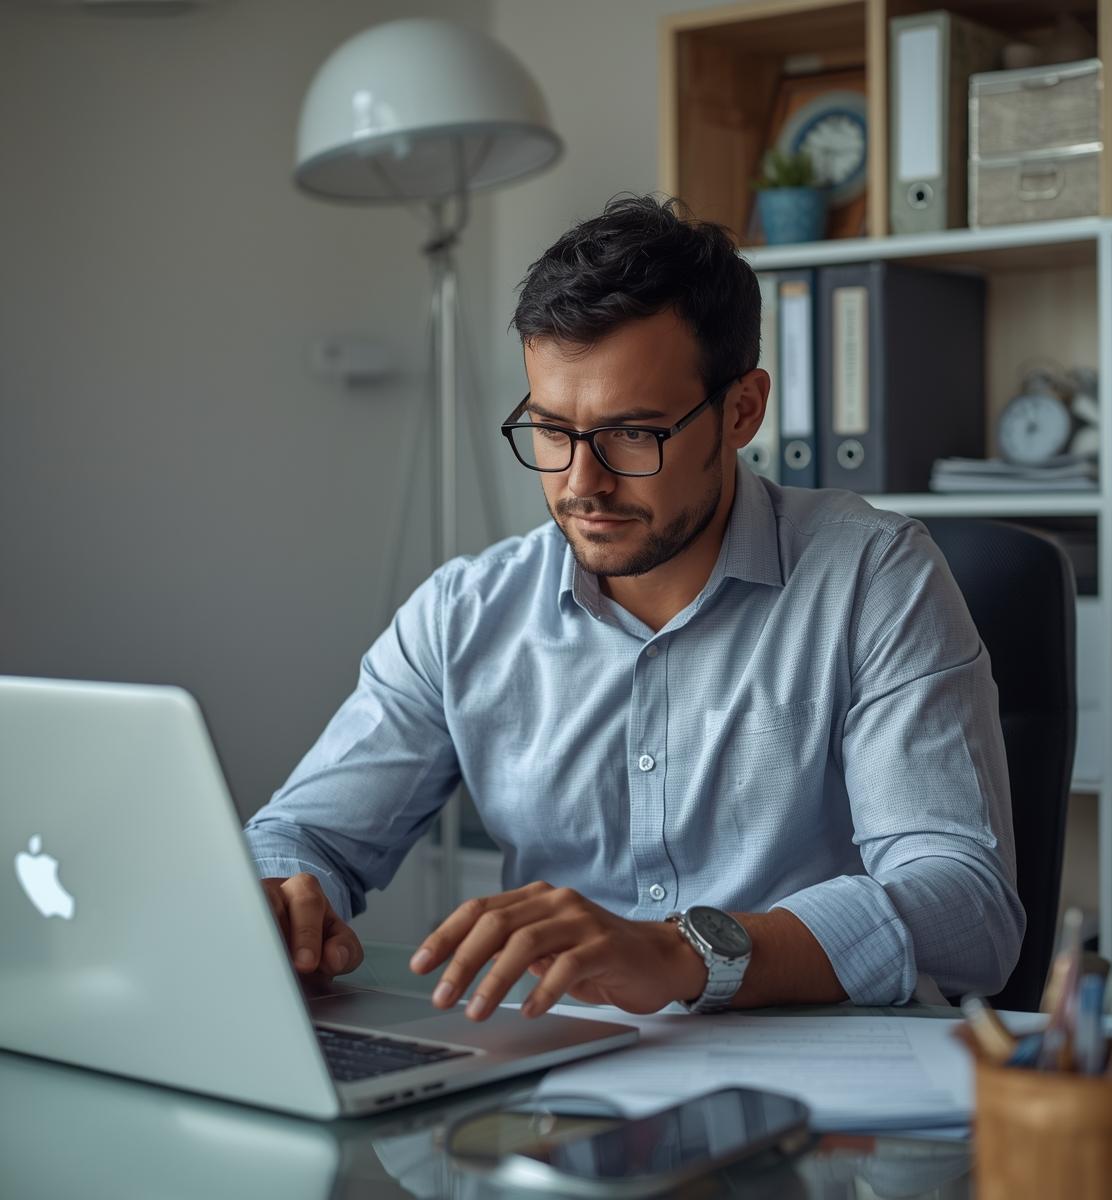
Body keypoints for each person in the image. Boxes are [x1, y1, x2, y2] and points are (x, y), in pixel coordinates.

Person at [244, 195, 1024, 1021]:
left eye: (632, 435)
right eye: (550, 431)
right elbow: (307, 837)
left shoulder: (873, 576)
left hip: (822, 1100)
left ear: (741, 411)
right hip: (550, 1100)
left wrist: (686, 951)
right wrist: (285, 896)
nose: (582, 484)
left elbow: (968, 910)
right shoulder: (464, 614)